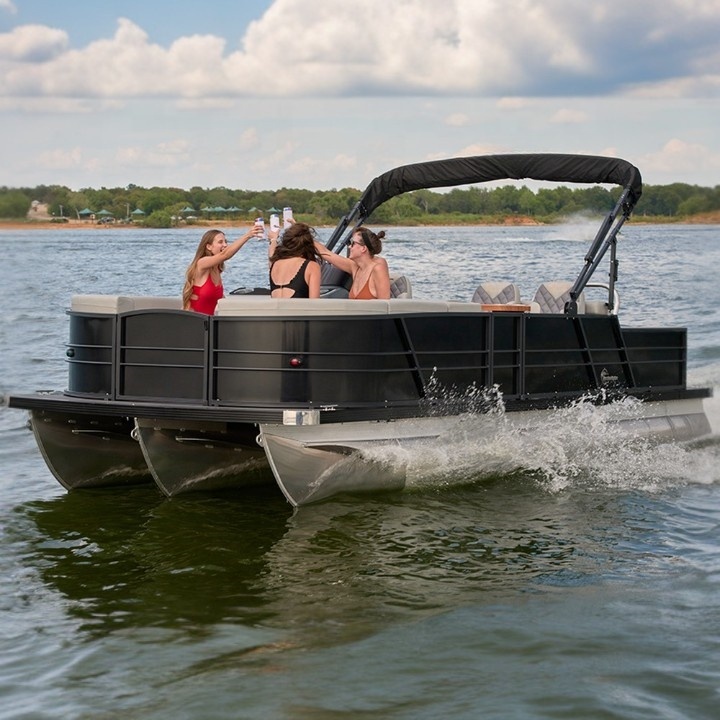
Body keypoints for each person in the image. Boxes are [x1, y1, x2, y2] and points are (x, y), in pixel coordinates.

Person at [183, 226, 262, 314]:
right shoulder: (202, 263)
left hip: (209, 323)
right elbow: (225, 255)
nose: (225, 245)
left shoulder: (216, 269)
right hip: (194, 322)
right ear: (209, 246)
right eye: (220, 242)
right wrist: (248, 235)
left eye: (225, 242)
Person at [315, 226, 391, 299]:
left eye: (353, 243)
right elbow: (324, 252)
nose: (349, 247)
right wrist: (305, 236)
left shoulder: (378, 267)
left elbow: (386, 307)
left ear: (363, 248)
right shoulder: (354, 267)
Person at [267, 222, 322, 298]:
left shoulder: (275, 264)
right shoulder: (312, 267)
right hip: (298, 309)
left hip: (276, 309)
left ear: (286, 242)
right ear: (309, 245)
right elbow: (315, 304)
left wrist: (273, 239)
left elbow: (271, 254)